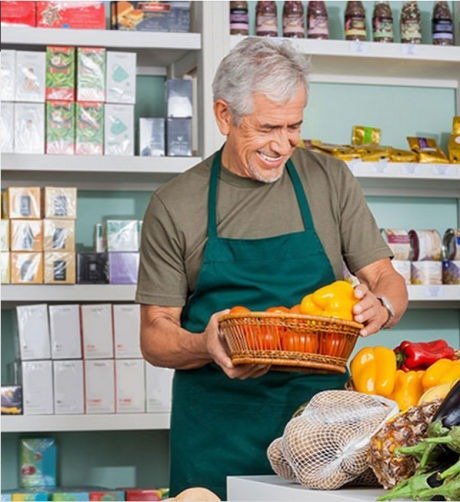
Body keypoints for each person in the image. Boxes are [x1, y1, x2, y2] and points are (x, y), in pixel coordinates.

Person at [136, 37, 408, 500]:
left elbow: (386, 279)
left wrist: (381, 306)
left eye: (294, 126)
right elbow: (154, 335)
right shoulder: (175, 203)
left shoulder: (328, 180)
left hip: (323, 433)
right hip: (216, 430)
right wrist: (205, 343)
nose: (282, 145)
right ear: (225, 115)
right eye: (267, 128)